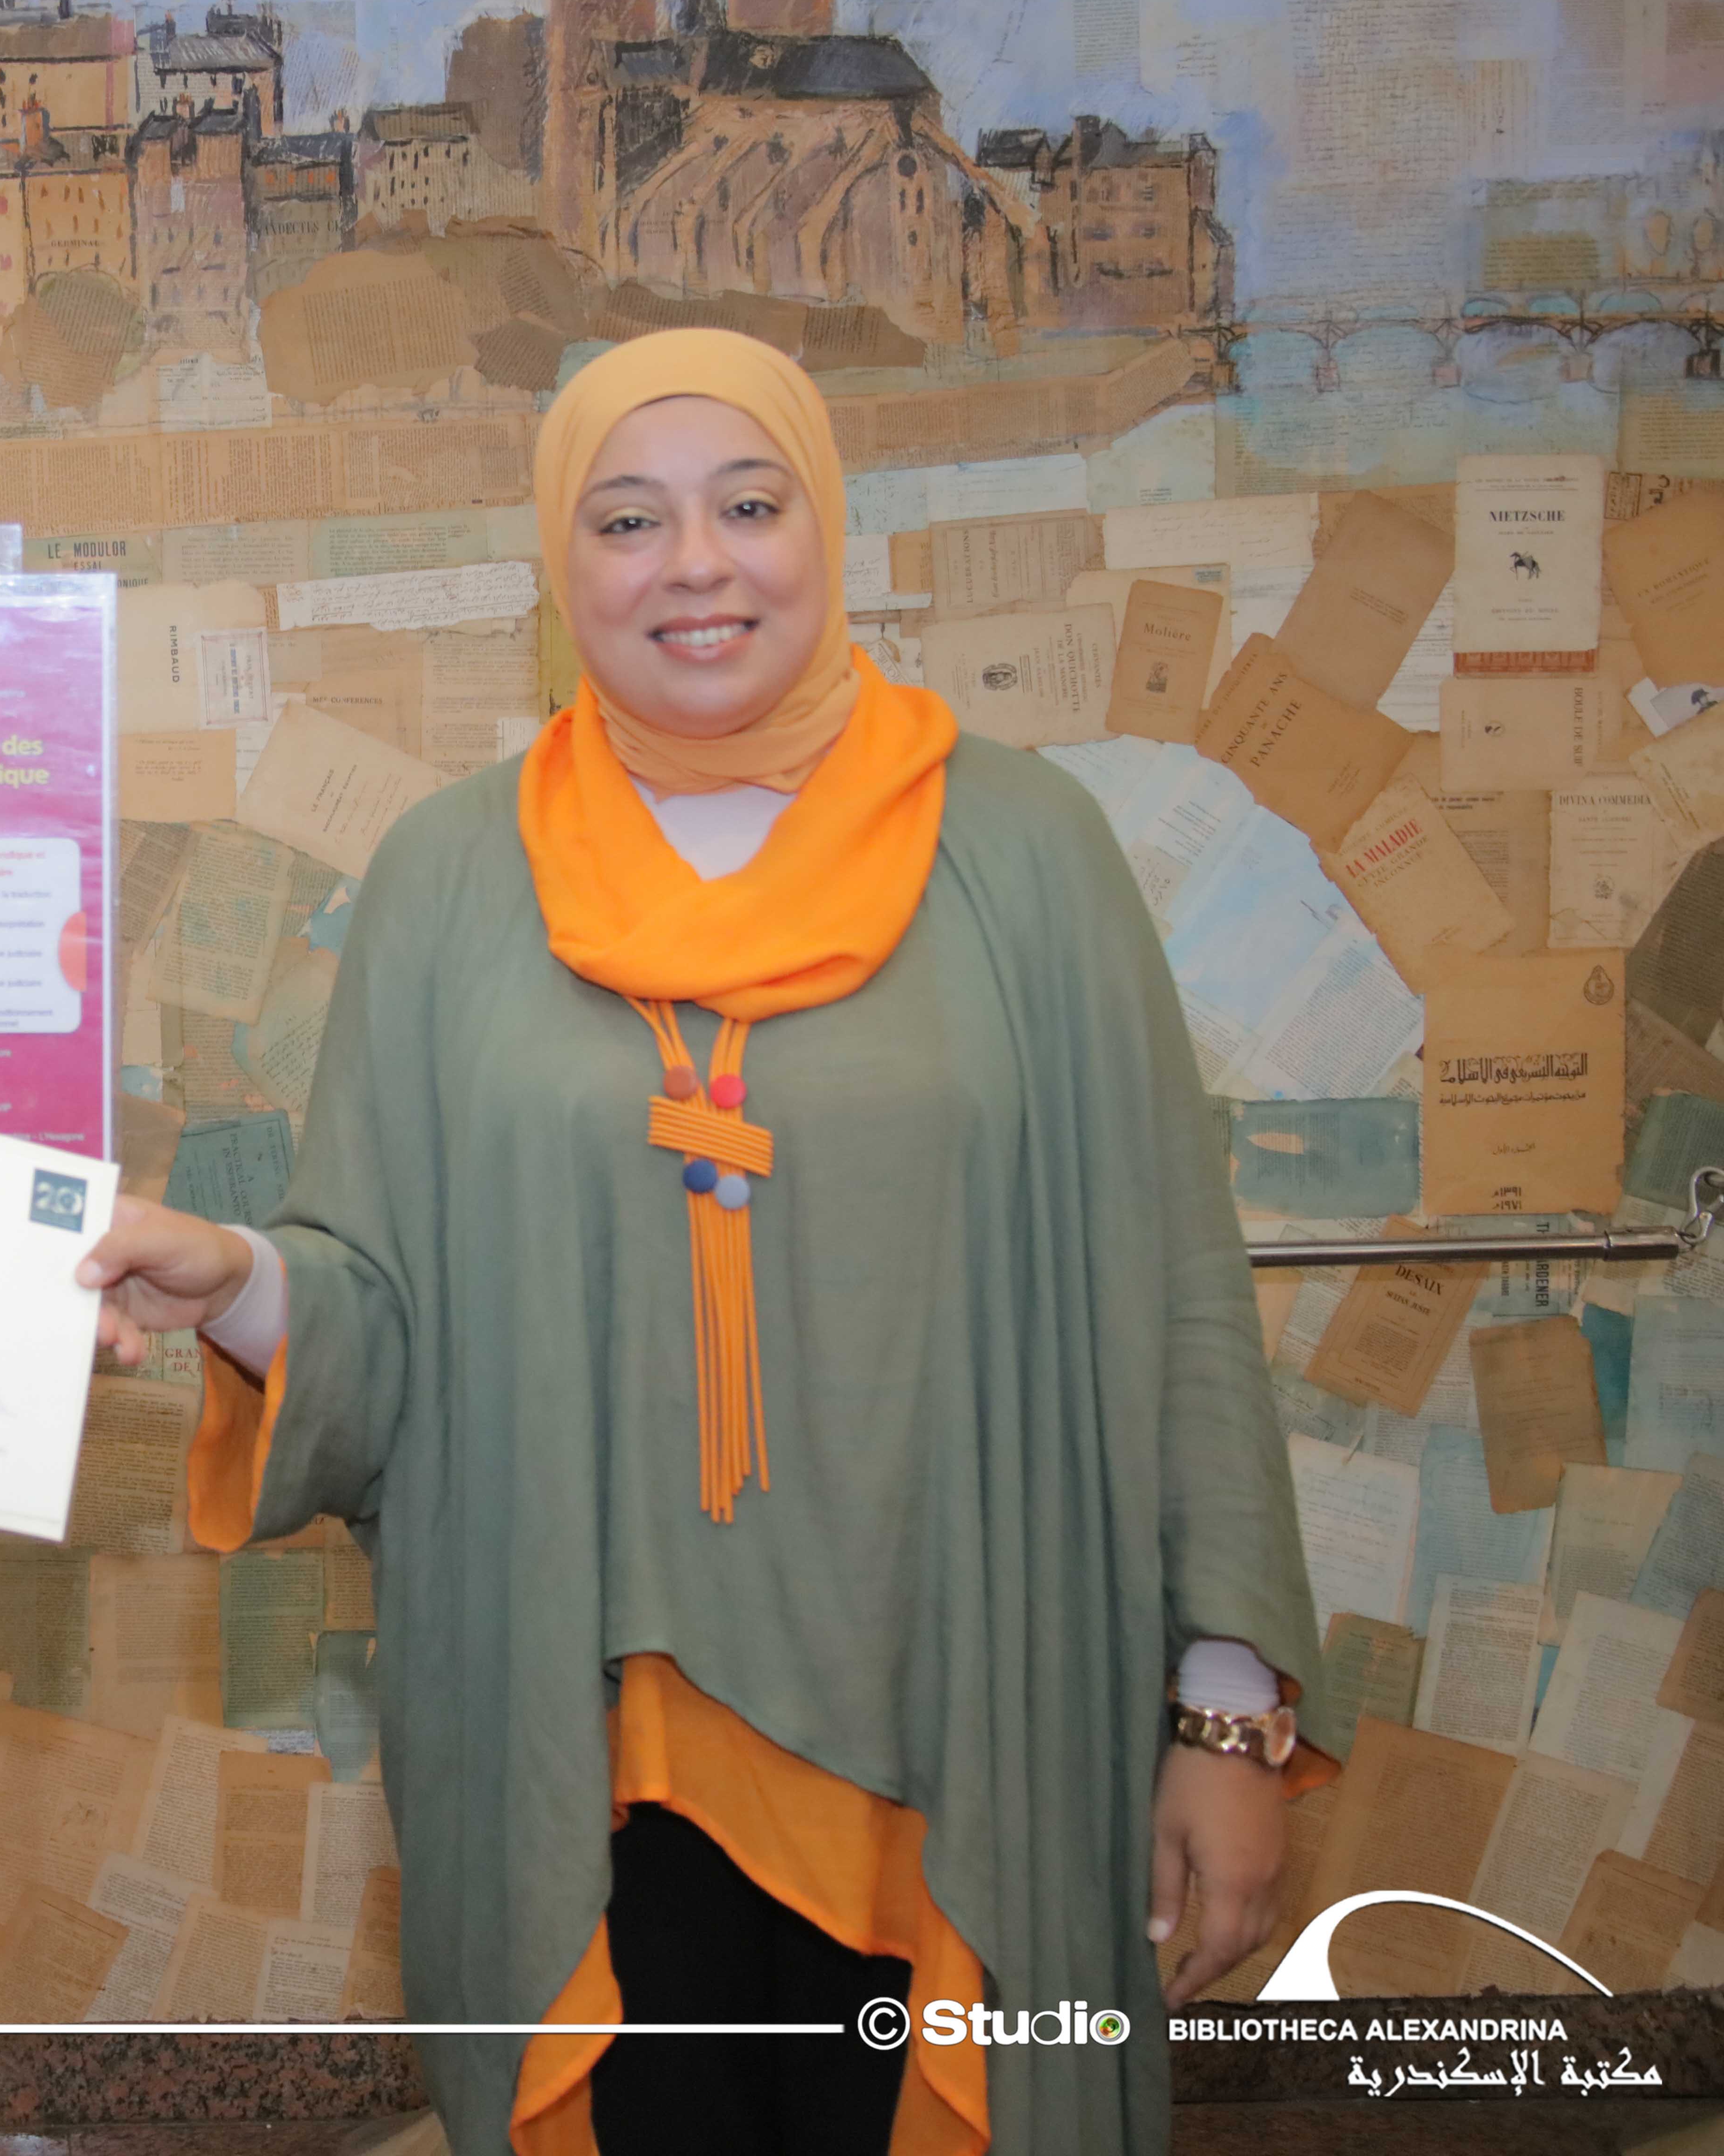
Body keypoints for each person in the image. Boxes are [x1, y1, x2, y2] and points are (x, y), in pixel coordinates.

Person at [77, 329, 1337, 2155]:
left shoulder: (1025, 855)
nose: (696, 563)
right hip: (580, 1757)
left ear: (825, 527)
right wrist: (241, 1284)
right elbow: (387, 1313)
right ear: (559, 563)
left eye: (750, 506)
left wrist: (1224, 1718)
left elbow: (1178, 1295)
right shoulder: (453, 878)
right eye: (627, 519)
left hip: (975, 1723)